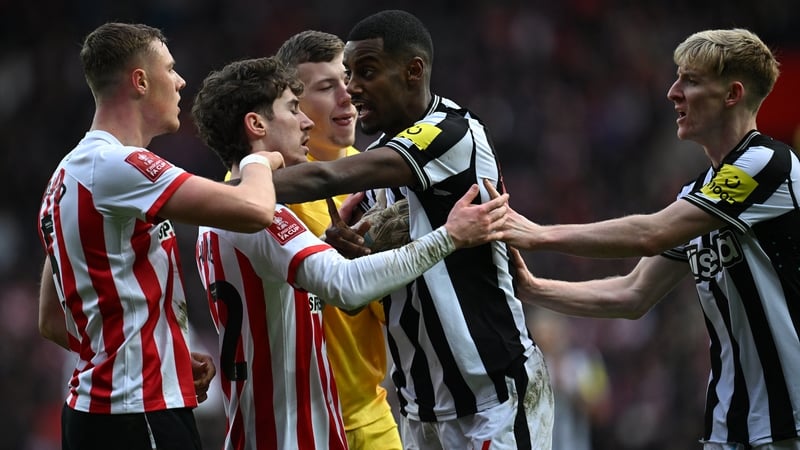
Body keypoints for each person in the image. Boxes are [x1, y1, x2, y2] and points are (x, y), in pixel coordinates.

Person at [489, 28, 800, 450]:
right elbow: (633, 293)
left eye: (690, 80)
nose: (673, 92)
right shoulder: (698, 195)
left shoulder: (767, 162)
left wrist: (538, 234)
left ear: (732, 95)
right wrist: (534, 288)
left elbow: (653, 233)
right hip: (729, 427)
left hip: (791, 422)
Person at [190, 55, 510, 450]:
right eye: (293, 109)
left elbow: (283, 294)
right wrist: (449, 236)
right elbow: (346, 287)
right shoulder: (259, 213)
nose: (306, 121)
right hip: (291, 434)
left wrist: (325, 246)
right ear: (256, 125)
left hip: (275, 426)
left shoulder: (217, 211)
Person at [270, 10, 554, 450]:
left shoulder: (452, 133)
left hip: (492, 399)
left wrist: (221, 190)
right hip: (419, 407)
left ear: (412, 71)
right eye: (346, 76)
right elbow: (363, 287)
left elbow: (327, 176)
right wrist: (356, 254)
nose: (352, 89)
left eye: (364, 73)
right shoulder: (383, 159)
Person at [36, 22, 284, 450]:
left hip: (97, 411)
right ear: (140, 80)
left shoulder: (67, 176)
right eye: (170, 69)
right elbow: (255, 210)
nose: (180, 81)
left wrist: (162, 357)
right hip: (138, 414)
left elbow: (52, 320)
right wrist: (260, 158)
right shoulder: (120, 165)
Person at [274, 30, 403, 449]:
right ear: (294, 104)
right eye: (327, 87)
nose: (347, 95)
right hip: (295, 424)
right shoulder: (266, 190)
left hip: (369, 418)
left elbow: (391, 312)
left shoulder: (380, 180)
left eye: (347, 81)